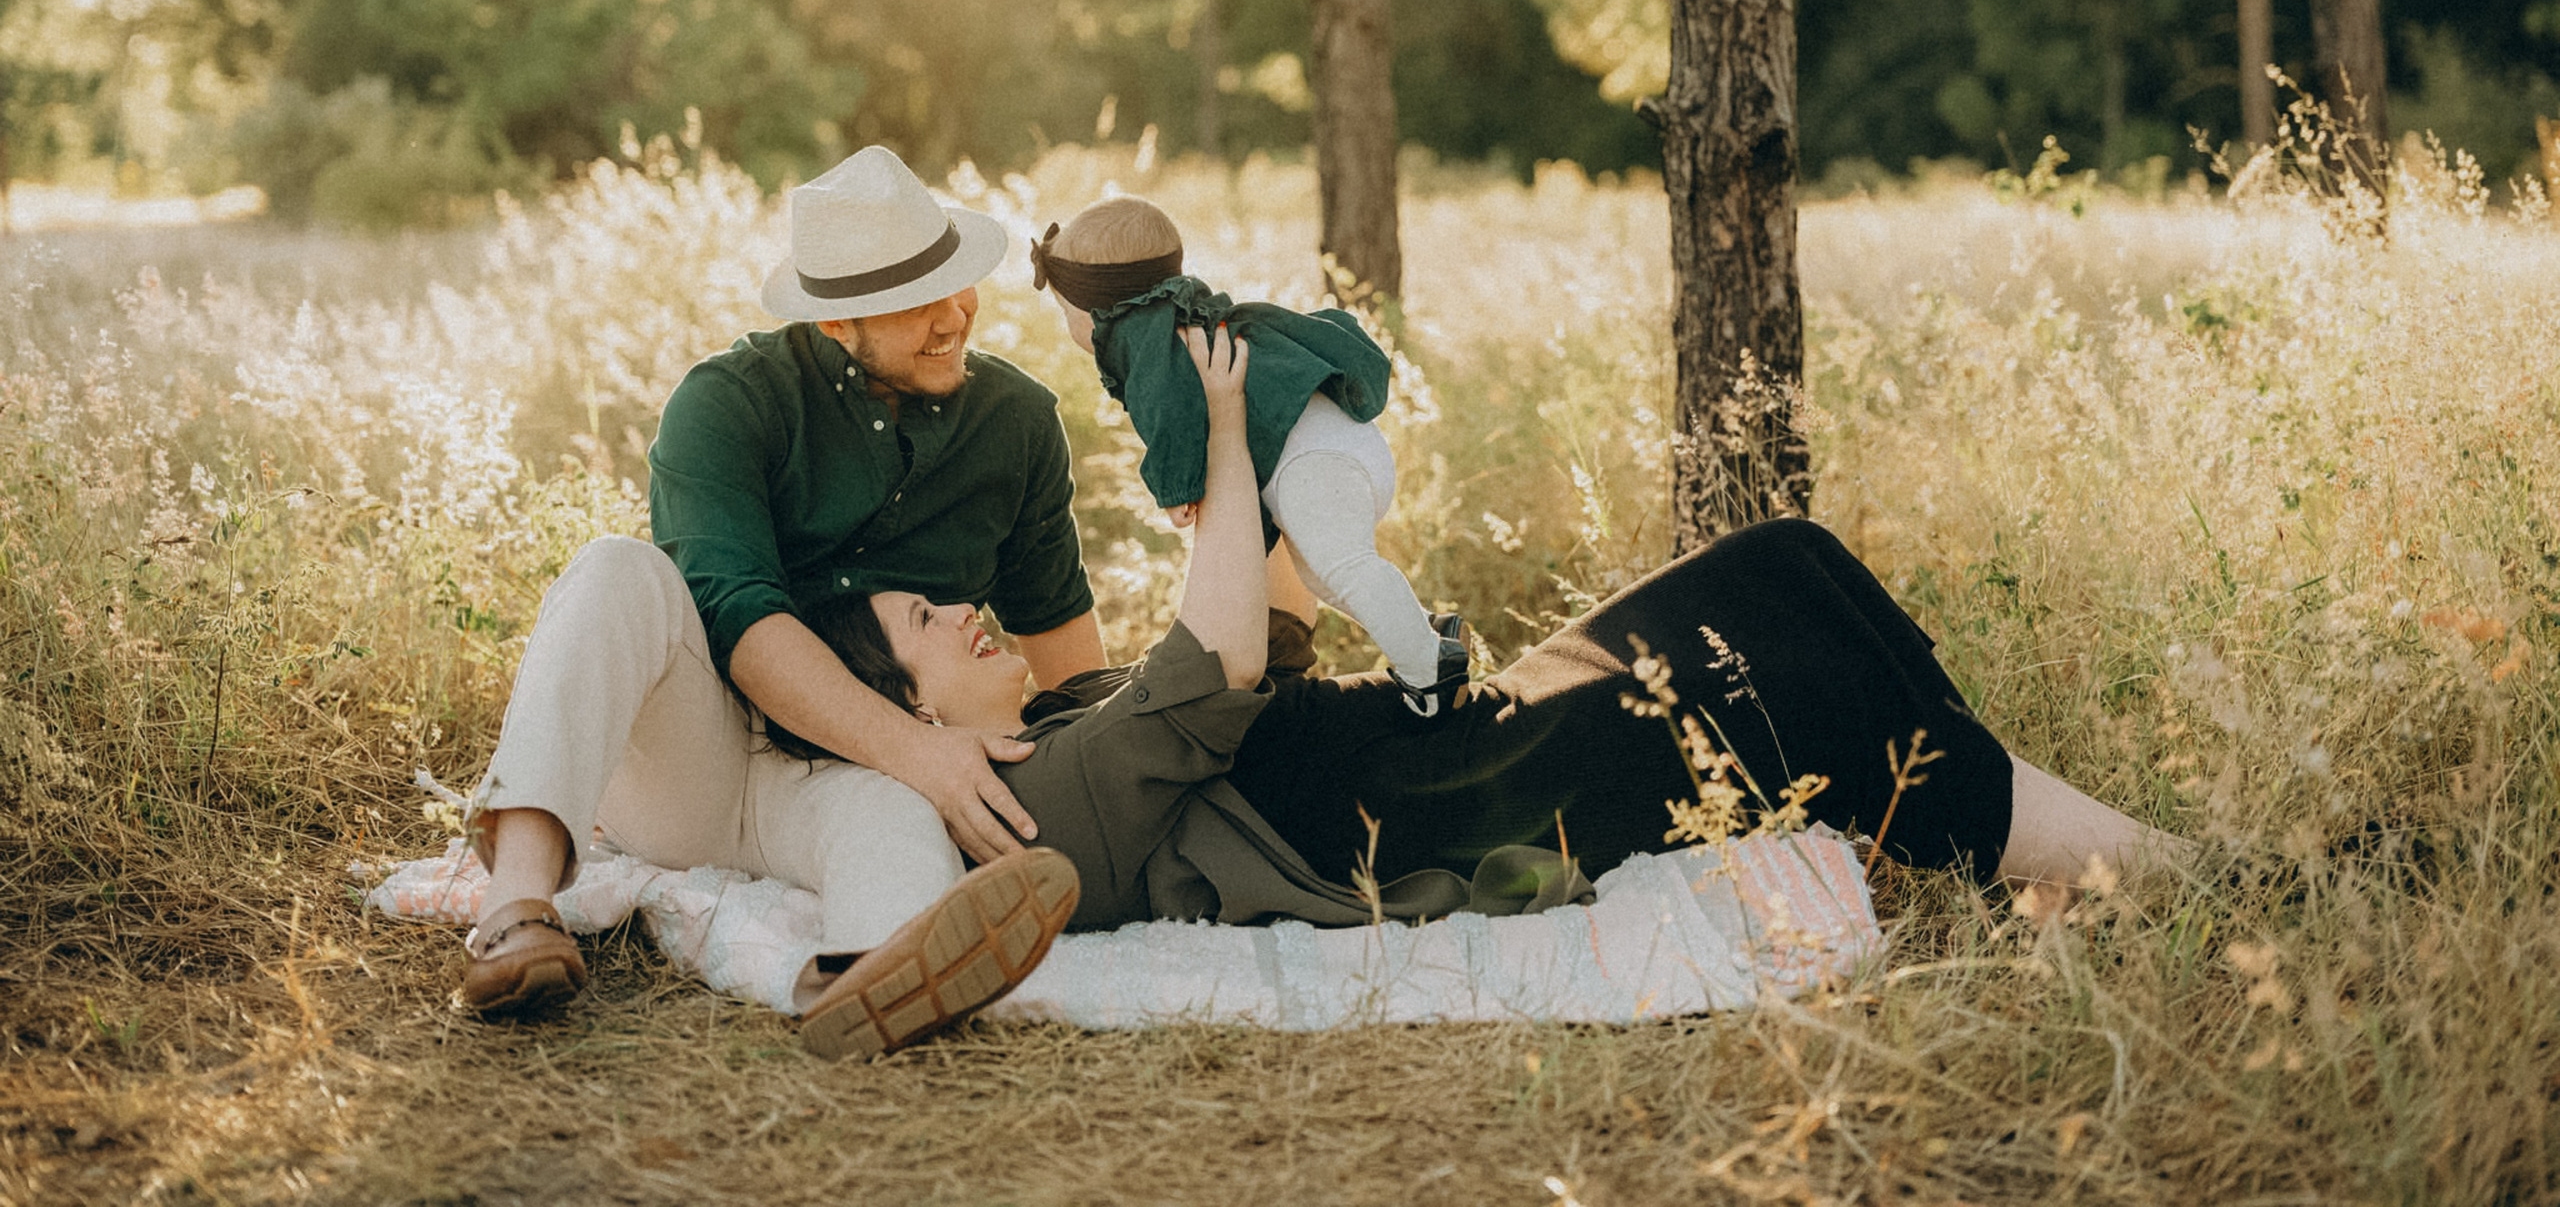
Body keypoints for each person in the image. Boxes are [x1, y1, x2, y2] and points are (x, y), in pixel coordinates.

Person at [800, 326, 2192, 933]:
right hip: (1442, 811)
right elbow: (1217, 665)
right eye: (927, 621)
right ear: (908, 710)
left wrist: (1243, 503)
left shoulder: (1060, 716)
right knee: (1792, 690)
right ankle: (2159, 871)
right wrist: (1217, 430)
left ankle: (2021, 834)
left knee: (1785, 559)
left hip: (1450, 742)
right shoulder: (1036, 809)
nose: (968, 611)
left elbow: (1261, 652)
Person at [458, 147, 1103, 1056]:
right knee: (615, 568)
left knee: (895, 814)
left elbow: (1065, 642)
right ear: (836, 320)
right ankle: (515, 911)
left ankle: (866, 976)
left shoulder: (1019, 424)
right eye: (915, 300)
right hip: (708, 752)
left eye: (958, 283)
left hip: (864, 778)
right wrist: (923, 754)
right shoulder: (730, 406)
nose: (954, 314)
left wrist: (1118, 771)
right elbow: (741, 622)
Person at [1031, 195, 1468, 713]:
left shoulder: (1139, 337)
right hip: (1333, 445)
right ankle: (1419, 629)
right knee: (1322, 573)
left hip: (1312, 461)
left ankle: (1429, 672)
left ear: (1094, 307)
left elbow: (1168, 410)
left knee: (1346, 565)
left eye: (1066, 312)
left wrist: (1177, 488)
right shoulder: (1187, 309)